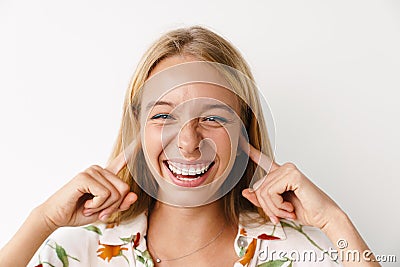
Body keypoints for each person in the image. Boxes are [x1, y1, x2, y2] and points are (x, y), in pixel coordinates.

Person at [0, 26, 379, 267]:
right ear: (138, 127)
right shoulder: (81, 252)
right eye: (164, 116)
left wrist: (334, 220)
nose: (188, 142)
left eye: (213, 117)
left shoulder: (295, 253)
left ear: (244, 131)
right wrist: (42, 221)